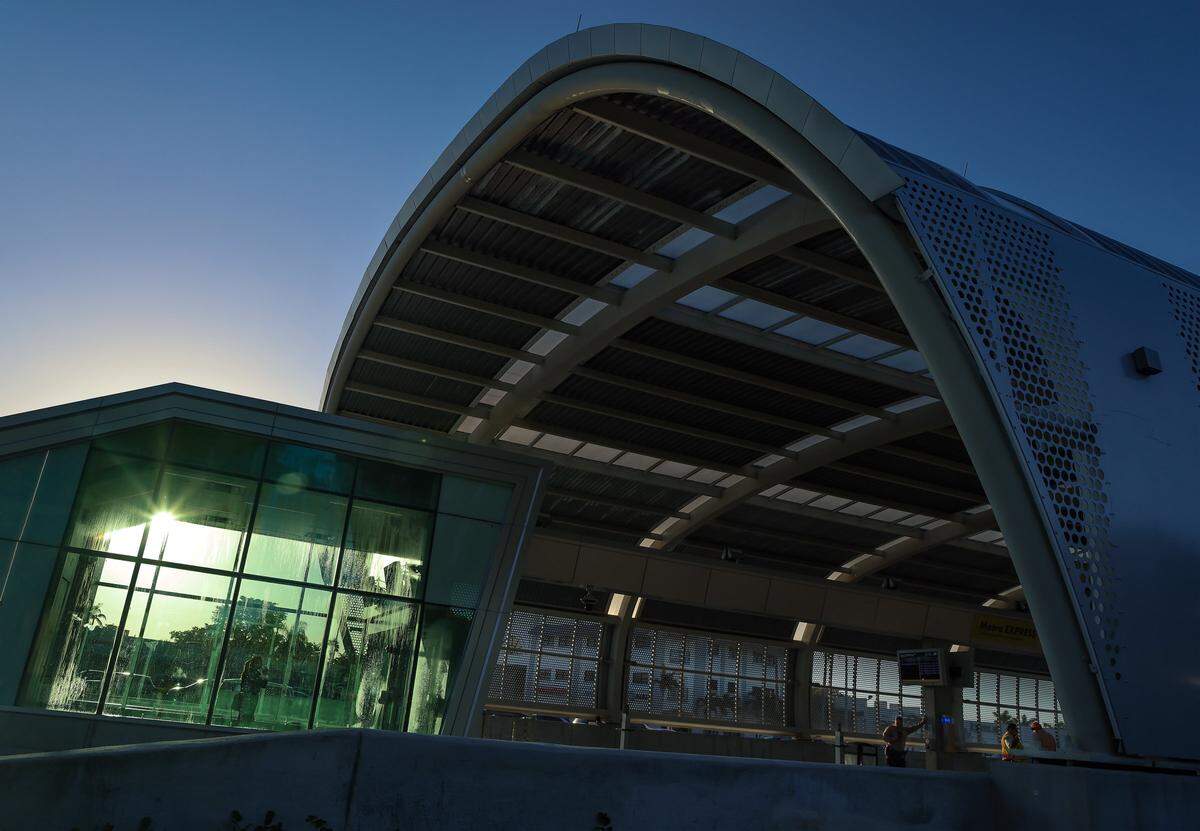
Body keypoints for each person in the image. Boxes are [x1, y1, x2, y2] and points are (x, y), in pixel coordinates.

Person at [235, 655, 267, 726]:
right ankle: (243, 725)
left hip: (251, 695)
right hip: (249, 695)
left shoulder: (254, 672)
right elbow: (259, 683)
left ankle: (242, 724)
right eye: (259, 663)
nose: (261, 664)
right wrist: (264, 675)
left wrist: (264, 676)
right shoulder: (251, 673)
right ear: (255, 663)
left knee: (247, 713)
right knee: (246, 713)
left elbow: (263, 685)